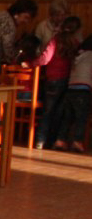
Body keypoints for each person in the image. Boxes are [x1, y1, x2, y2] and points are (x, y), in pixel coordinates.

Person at [31, 16, 83, 149]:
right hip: (68, 81)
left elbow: (45, 59)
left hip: (52, 79)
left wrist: (32, 64)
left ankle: (40, 140)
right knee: (60, 113)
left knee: (47, 111)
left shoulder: (55, 40)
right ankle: (54, 141)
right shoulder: (76, 43)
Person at [52, 35, 92, 153]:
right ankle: (77, 141)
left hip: (70, 88)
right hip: (83, 90)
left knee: (67, 118)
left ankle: (60, 140)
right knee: (81, 117)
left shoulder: (77, 55)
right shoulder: (90, 56)